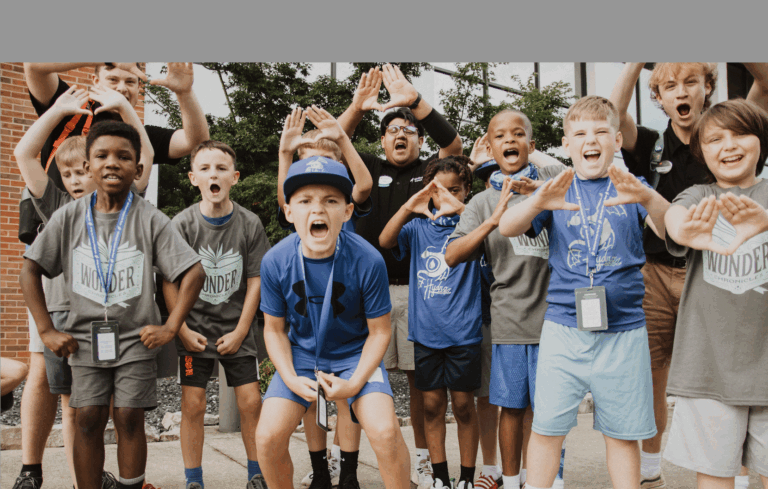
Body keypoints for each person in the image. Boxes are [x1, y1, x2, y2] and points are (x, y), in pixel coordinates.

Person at [19, 121, 205, 489]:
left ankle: (131, 485)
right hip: (84, 340)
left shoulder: (149, 218)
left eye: (124, 157)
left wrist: (171, 327)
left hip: (136, 338)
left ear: (138, 169)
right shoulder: (68, 217)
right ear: (88, 166)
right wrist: (46, 330)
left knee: (128, 415)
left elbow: (193, 272)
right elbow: (30, 270)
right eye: (101, 155)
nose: (112, 163)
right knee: (86, 415)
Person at [609, 62, 768, 489]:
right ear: (659, 98)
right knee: (656, 373)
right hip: (662, 272)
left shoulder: (731, 127)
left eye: (691, 82)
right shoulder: (653, 145)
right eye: (670, 86)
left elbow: (763, 87)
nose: (728, 145)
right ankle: (651, 460)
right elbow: (675, 216)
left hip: (736, 306)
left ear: (707, 88)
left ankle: (736, 468)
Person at [498, 96, 669, 489]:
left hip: (624, 331)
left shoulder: (633, 185)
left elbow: (667, 230)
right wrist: (539, 199)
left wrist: (646, 197)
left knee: (623, 434)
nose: (590, 140)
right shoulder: (556, 187)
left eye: (600, 132)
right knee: (546, 429)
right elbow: (508, 226)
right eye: (580, 134)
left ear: (617, 139)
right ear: (566, 144)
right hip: (563, 329)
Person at [12, 86, 153, 489]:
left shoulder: (126, 204)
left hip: (115, 323)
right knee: (74, 408)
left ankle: (101, 478)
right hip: (64, 318)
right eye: (68, 173)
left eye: (80, 172)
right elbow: (24, 154)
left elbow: (145, 157)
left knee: (111, 410)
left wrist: (125, 107)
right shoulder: (57, 205)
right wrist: (57, 110)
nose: (74, 180)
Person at [337, 64, 463, 487]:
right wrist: (357, 106)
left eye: (408, 128)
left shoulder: (432, 173)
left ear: (419, 140)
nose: (400, 133)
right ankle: (346, 466)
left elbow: (454, 143)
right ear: (382, 139)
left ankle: (426, 465)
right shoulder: (367, 169)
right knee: (354, 381)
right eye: (392, 128)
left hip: (418, 293)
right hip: (364, 296)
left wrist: (414, 101)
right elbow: (332, 144)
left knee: (422, 391)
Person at [255, 158, 410, 489]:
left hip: (354, 352)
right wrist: (291, 378)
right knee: (267, 437)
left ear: (348, 211)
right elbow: (274, 329)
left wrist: (353, 384)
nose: (318, 211)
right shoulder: (275, 261)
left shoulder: (368, 259)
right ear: (289, 211)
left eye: (330, 201)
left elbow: (380, 331)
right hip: (301, 354)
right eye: (305, 201)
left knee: (385, 432)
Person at [445, 110, 563, 489]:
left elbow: (567, 168)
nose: (509, 140)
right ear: (491, 146)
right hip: (509, 322)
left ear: (531, 144)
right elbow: (451, 255)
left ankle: (546, 481)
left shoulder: (554, 186)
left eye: (518, 134)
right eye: (500, 135)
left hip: (557, 323)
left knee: (551, 413)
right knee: (511, 409)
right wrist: (491, 220)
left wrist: (539, 170)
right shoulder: (482, 201)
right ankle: (511, 482)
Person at [662, 98, 768, 489]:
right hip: (707, 369)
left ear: (762, 141)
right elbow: (676, 216)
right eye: (715, 139)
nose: (729, 145)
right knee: (713, 478)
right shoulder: (698, 196)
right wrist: (682, 229)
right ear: (702, 151)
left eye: (741, 133)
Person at [162, 140, 271, 489]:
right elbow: (168, 282)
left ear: (235, 177)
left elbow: (256, 281)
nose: (214, 174)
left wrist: (243, 330)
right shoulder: (181, 225)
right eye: (205, 168)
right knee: (192, 404)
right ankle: (194, 479)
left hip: (235, 329)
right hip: (194, 331)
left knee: (251, 402)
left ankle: (257, 473)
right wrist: (180, 329)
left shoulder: (250, 223)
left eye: (222, 168)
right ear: (193, 177)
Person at [277, 106, 372, 489]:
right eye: (308, 158)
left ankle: (347, 470)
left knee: (346, 388)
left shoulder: (347, 199)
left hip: (345, 294)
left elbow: (363, 184)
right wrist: (285, 152)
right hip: (307, 288)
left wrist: (343, 139)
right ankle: (321, 469)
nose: (317, 164)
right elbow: (286, 200)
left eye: (326, 159)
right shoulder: (297, 212)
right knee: (311, 386)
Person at [380, 155, 480, 489]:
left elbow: (495, 232)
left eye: (456, 190)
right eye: (441, 190)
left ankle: (466, 477)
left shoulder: (471, 224)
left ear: (466, 191)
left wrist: (461, 209)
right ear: (429, 191)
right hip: (426, 334)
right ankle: (439, 478)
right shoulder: (418, 227)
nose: (448, 196)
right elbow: (385, 240)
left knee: (464, 407)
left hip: (463, 333)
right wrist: (411, 204)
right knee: (433, 406)